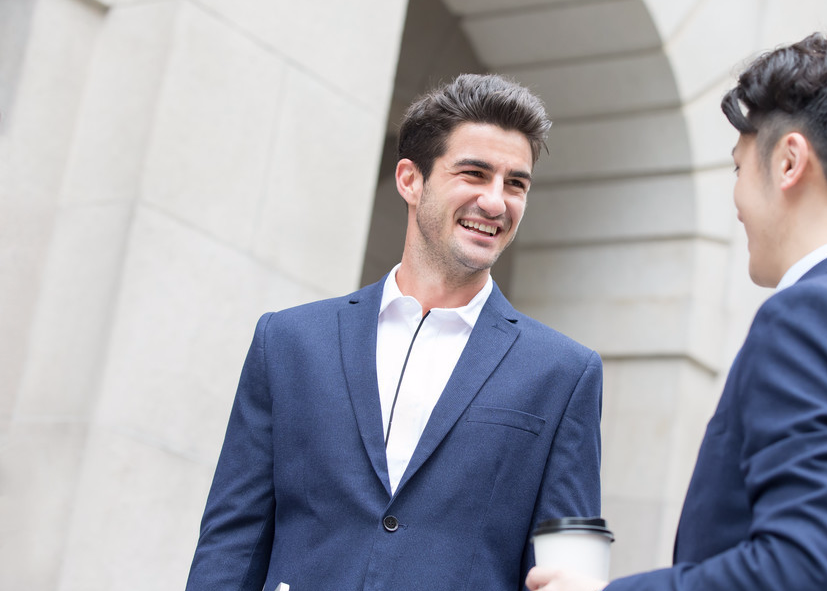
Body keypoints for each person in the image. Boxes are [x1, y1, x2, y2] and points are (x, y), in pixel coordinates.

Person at [527, 33, 827, 591]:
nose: (737, 203)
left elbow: (804, 568)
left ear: (790, 161)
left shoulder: (814, 316)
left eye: (738, 168)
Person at [185, 73, 603, 591]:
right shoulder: (289, 341)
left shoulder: (566, 372)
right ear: (410, 180)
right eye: (474, 174)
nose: (496, 202)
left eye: (515, 183)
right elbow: (232, 541)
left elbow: (572, 572)